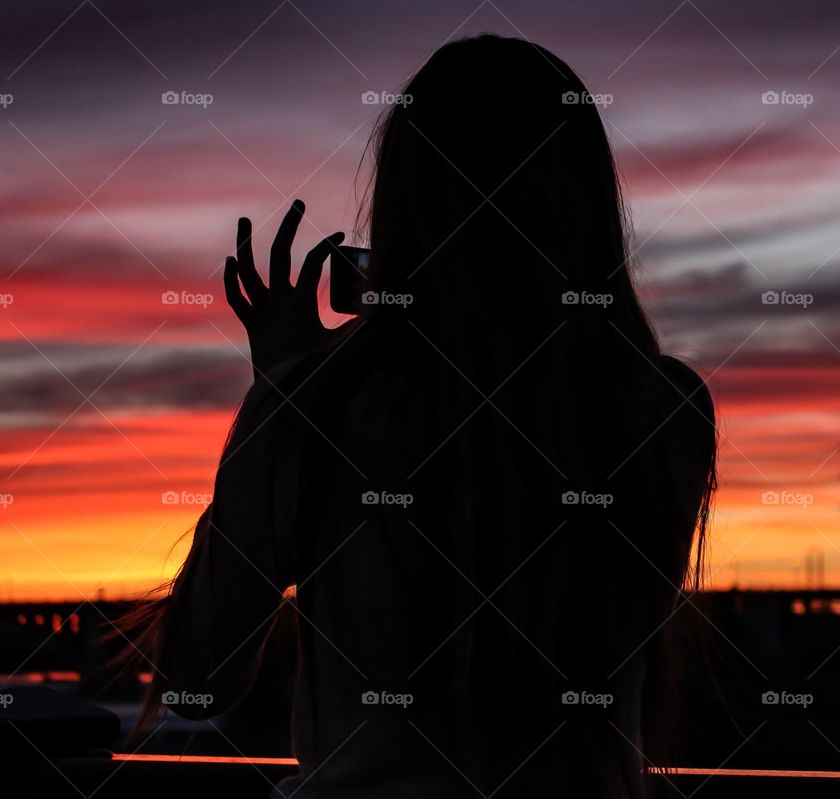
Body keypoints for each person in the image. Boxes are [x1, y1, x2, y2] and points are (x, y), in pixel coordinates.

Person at [136, 34, 716, 798]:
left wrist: (283, 388)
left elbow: (197, 680)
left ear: (407, 202)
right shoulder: (663, 409)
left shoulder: (322, 406)